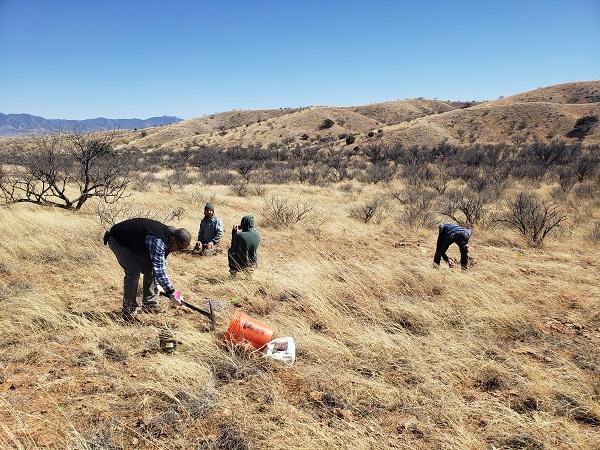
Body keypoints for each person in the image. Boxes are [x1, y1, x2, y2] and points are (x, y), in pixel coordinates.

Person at [104, 218, 191, 321]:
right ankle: (129, 311)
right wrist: (172, 292)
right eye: (179, 247)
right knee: (133, 272)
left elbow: (159, 265)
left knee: (151, 266)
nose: (177, 250)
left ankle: (150, 303)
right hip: (117, 239)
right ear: (173, 239)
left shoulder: (170, 239)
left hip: (132, 243)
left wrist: (162, 287)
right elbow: (159, 270)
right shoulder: (158, 240)